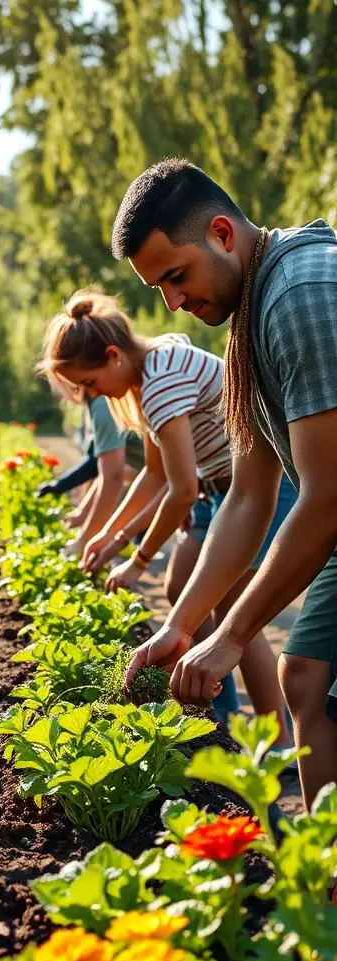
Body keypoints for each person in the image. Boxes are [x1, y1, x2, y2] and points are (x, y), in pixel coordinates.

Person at [110, 157, 337, 806]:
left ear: (222, 234)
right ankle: (325, 879)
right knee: (306, 679)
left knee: (313, 683)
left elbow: (326, 496)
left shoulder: (299, 294)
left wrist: (233, 637)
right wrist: (182, 626)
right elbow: (248, 493)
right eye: (159, 290)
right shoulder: (249, 320)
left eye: (176, 277)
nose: (173, 303)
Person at [40, 290, 294, 740]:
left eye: (91, 384)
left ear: (113, 356)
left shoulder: (162, 380)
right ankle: (219, 714)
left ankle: (275, 742)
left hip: (261, 487)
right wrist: (113, 536)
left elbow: (180, 490)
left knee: (237, 609)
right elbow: (155, 477)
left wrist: (137, 561)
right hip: (218, 490)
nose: (93, 395)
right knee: (180, 587)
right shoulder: (153, 366)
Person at [37, 392, 127, 558]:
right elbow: (100, 465)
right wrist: (82, 512)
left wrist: (83, 541)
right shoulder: (98, 403)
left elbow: (108, 474)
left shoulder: (102, 404)